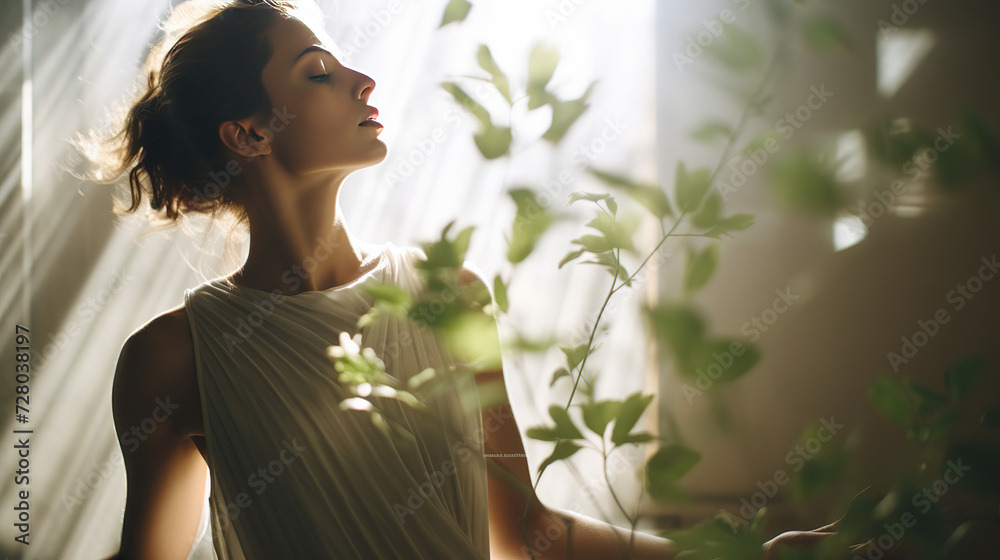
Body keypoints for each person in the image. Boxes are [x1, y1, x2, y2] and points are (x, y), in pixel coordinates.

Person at [78, 1, 849, 558]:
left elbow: (530, 536)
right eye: (319, 72)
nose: (363, 80)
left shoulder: (447, 297)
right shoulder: (174, 359)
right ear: (249, 132)